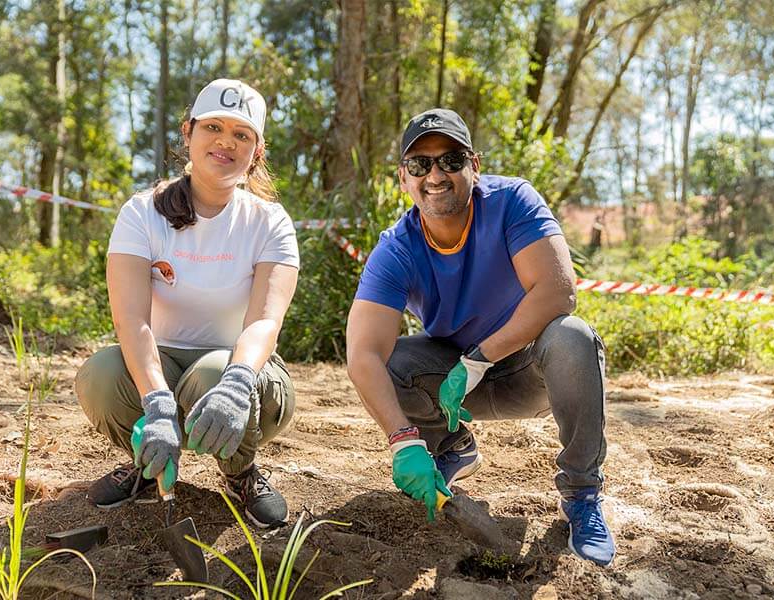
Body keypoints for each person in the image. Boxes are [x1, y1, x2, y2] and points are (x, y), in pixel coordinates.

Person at [345, 109, 615, 566]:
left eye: (450, 160)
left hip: (529, 371)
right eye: (419, 164)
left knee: (572, 337)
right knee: (388, 362)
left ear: (474, 164)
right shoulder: (396, 247)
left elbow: (558, 291)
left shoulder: (513, 201)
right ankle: (452, 447)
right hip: (456, 389)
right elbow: (362, 352)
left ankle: (583, 494)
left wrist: (479, 358)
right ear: (403, 179)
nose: (435, 174)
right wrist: (403, 440)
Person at [76, 79, 299, 529]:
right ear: (188, 133)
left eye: (242, 134)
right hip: (161, 362)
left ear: (256, 150)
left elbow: (263, 322)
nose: (226, 142)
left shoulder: (269, 221)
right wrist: (157, 405)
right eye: (213, 126)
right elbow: (132, 321)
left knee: (216, 374)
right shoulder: (142, 213)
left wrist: (237, 384)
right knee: (99, 376)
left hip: (244, 371)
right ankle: (148, 458)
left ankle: (239, 473)